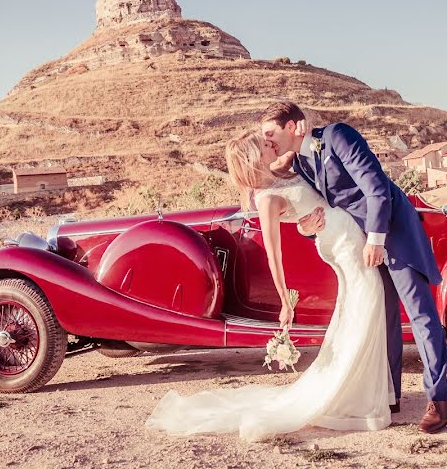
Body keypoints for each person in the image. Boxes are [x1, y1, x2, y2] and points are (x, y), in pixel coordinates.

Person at [145, 129, 393, 441]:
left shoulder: (281, 169)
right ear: (254, 158)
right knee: (366, 307)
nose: (270, 144)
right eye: (264, 145)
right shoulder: (266, 199)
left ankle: (359, 393)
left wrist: (305, 224)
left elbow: (302, 145)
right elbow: (273, 255)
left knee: (358, 312)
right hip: (342, 246)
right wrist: (285, 302)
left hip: (345, 236)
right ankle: (353, 398)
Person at [260, 101, 447, 434]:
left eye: (269, 132)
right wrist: (307, 228)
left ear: (291, 127)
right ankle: (390, 395)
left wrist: (376, 239)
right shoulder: (303, 163)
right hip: (363, 246)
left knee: (421, 316)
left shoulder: (337, 136)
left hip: (393, 234)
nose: (268, 139)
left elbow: (377, 188)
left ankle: (439, 399)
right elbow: (324, 210)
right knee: (386, 318)